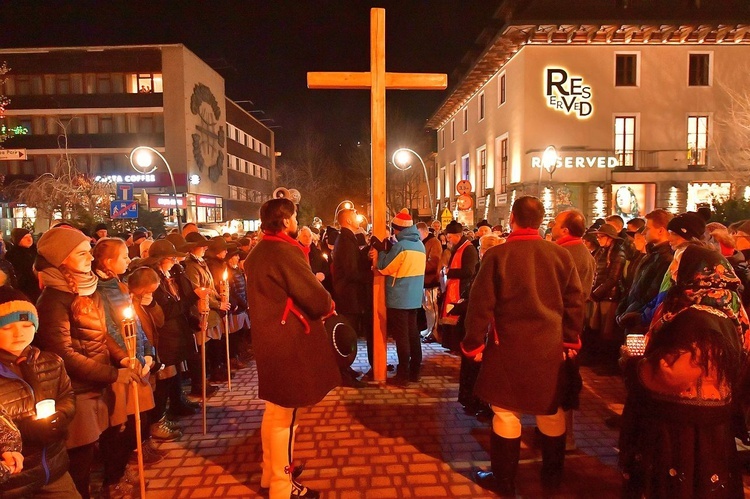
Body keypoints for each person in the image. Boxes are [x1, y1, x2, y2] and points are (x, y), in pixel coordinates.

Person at [463, 196, 584, 496]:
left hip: (508, 347)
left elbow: (479, 306)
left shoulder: (497, 256)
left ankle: (504, 482)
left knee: (505, 413)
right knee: (550, 410)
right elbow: (574, 302)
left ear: (513, 219)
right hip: (551, 347)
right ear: (541, 221)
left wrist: (473, 344)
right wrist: (570, 339)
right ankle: (552, 478)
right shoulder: (561, 255)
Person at [619, 245, 747, 498]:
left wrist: (635, 364)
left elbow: (676, 372)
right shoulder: (729, 309)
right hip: (714, 418)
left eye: (679, 265)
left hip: (686, 422)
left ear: (695, 273)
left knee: (684, 484)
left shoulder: (698, 317)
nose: (673, 271)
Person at [34, 227, 140, 499]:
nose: (89, 259)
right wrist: (111, 374)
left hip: (98, 383)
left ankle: (109, 483)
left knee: (105, 442)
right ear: (62, 259)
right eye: (81, 253)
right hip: (78, 391)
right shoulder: (54, 300)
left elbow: (101, 334)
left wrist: (123, 358)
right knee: (80, 461)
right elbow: (64, 354)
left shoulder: (87, 289)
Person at [244, 198, 339, 499]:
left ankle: (270, 473)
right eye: (295, 216)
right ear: (285, 221)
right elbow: (314, 296)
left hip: (270, 338)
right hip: (288, 341)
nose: (297, 221)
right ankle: (283, 487)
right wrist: (327, 303)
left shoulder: (259, 250)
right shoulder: (284, 251)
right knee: (287, 416)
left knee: (275, 411)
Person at [92, 238, 161, 490]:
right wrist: (126, 358)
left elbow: (134, 325)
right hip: (120, 367)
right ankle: (113, 478)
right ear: (109, 261)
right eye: (123, 257)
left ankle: (123, 468)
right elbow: (107, 331)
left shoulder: (118, 286)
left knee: (136, 419)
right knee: (118, 426)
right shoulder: (97, 290)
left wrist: (148, 353)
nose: (127, 261)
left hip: (137, 361)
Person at [0, 286, 80, 498]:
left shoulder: (50, 361)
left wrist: (61, 416)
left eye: (26, 324)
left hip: (53, 470)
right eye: (7, 328)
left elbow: (67, 396)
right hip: (13, 483)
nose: (19, 333)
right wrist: (23, 431)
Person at [551, 209, 596, 449]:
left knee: (562, 382)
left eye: (557, 223)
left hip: (562, 326)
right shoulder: (583, 252)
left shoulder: (564, 253)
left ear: (566, 229)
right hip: (573, 324)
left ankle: (563, 437)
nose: (553, 225)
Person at [369, 209, 426, 385]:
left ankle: (403, 375)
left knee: (402, 338)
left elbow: (385, 267)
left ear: (398, 229)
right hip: (414, 297)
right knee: (413, 334)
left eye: (394, 229)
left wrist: (380, 250)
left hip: (399, 297)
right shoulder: (420, 245)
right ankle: (415, 371)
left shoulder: (402, 246)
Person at [586, 223, 627, 366]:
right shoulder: (602, 251)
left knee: (607, 332)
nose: (598, 239)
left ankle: (607, 364)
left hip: (610, 296)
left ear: (610, 238)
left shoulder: (618, 253)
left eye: (601, 236)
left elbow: (613, 279)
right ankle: (599, 361)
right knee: (597, 329)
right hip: (600, 296)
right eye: (597, 236)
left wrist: (596, 293)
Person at [439, 220, 478, 353]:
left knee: (457, 317)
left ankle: (457, 346)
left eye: (450, 237)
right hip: (453, 286)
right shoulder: (457, 248)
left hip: (461, 288)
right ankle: (452, 345)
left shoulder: (469, 249)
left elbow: (469, 271)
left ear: (458, 235)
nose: (448, 240)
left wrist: (449, 272)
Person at [417, 222, 442, 344]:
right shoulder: (425, 242)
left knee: (432, 307)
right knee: (427, 307)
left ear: (422, 231)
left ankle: (434, 331)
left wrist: (417, 267)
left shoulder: (434, 242)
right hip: (424, 279)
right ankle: (429, 329)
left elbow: (434, 263)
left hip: (431, 280)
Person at [4, 229, 37, 302]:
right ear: (17, 240)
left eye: (30, 236)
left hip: (38, 288)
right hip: (24, 290)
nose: (29, 239)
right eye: (25, 237)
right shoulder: (12, 255)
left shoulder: (36, 251)